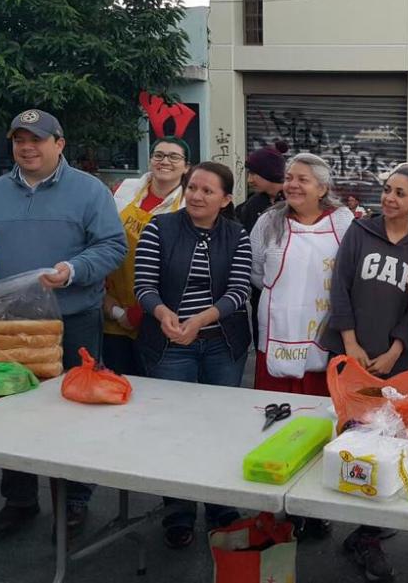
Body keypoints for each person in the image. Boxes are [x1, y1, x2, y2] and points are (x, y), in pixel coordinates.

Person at [0, 109, 127, 542]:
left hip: (71, 318)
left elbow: (113, 246)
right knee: (9, 411)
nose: (27, 146)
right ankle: (19, 500)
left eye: (37, 139)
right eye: (19, 139)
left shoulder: (89, 191)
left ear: (59, 143)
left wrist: (74, 270)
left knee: (73, 409)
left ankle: (74, 500)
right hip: (5, 322)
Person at [134, 161, 252, 549]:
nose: (197, 196)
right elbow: (144, 285)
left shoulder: (237, 234)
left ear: (226, 198)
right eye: (193, 188)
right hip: (169, 343)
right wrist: (165, 314)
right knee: (177, 429)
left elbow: (239, 292)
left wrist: (200, 319)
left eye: (208, 191)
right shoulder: (160, 227)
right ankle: (178, 511)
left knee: (221, 427)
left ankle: (220, 506)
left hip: (223, 344)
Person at [321, 164, 408, 583]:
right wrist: (350, 343)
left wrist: (395, 351)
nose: (389, 198)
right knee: (344, 437)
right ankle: (321, 516)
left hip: (392, 364)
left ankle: (367, 537)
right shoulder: (360, 231)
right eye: (387, 190)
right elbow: (340, 286)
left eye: (400, 193)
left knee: (381, 446)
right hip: (349, 356)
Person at [250, 153, 354, 395]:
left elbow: (352, 273)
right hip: (278, 328)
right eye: (288, 178)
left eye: (302, 179)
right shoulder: (268, 221)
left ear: (322, 189)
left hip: (324, 329)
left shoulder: (342, 221)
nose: (293, 185)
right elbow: (255, 272)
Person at [102, 137, 189, 376]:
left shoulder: (187, 204)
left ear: (186, 166)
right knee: (116, 383)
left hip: (158, 316)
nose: (165, 161)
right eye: (159, 155)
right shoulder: (125, 190)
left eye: (174, 157)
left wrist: (142, 312)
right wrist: (117, 312)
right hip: (112, 308)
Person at [236, 141, 287, 346]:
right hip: (261, 293)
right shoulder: (251, 206)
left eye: (253, 174)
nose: (249, 180)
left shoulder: (296, 200)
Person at [235, 141, 287, 232]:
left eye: (253, 174)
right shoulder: (249, 206)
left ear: (269, 173)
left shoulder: (295, 203)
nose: (249, 180)